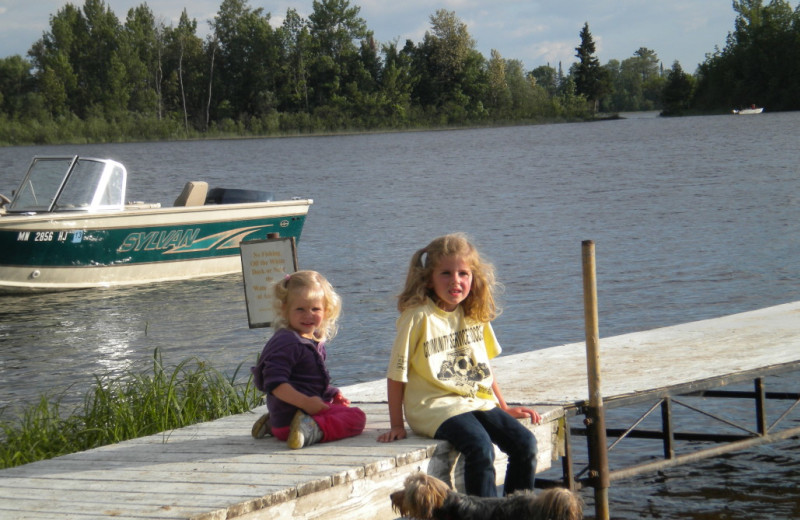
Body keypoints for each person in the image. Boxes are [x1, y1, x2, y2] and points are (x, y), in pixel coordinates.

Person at [377, 233, 542, 497]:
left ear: (473, 277)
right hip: (433, 406)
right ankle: (483, 514)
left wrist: (504, 407)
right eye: (445, 273)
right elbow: (396, 375)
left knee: (526, 443)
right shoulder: (418, 317)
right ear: (428, 279)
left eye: (464, 273)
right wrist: (397, 424)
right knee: (480, 446)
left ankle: (516, 511)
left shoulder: (474, 312)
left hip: (475, 400)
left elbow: (484, 366)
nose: (456, 280)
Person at [251, 270, 366, 449]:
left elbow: (309, 382)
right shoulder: (288, 342)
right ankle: (310, 430)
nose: (308, 315)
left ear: (326, 311)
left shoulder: (311, 341)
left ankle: (272, 423)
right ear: (285, 309)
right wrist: (305, 403)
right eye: (300, 309)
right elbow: (274, 384)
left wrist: (331, 393)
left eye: (315, 309)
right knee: (357, 418)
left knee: (340, 410)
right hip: (293, 420)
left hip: (286, 419)